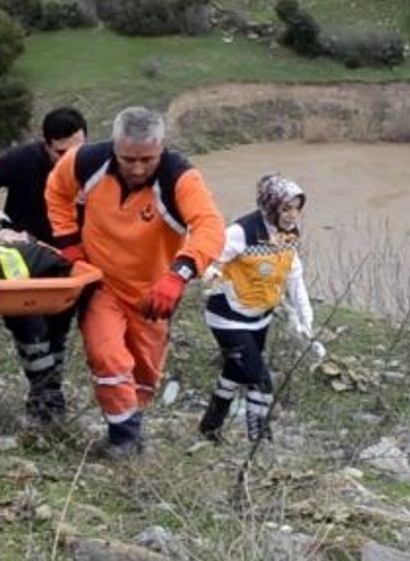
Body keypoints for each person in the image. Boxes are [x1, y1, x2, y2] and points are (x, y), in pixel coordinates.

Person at [46, 106, 225, 458]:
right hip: (101, 283)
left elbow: (210, 226)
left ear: (161, 148)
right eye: (128, 159)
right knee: (106, 355)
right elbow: (57, 191)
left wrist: (179, 274)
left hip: (154, 294)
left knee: (144, 372)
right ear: (115, 147)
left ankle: (133, 423)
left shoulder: (180, 179)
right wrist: (69, 244)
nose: (138, 168)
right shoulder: (85, 161)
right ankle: (123, 440)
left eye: (147, 159)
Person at [0, 106, 88, 423]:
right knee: (30, 332)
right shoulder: (23, 159)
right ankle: (46, 401)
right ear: (46, 145)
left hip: (65, 260)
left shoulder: (93, 166)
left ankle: (47, 403)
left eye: (76, 152)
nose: (69, 160)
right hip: (19, 260)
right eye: (60, 153)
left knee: (57, 333)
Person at [199, 174, 324, 444]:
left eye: (297, 208)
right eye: (286, 208)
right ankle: (259, 441)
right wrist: (211, 274)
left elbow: (294, 277)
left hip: (259, 319)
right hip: (228, 317)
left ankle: (209, 427)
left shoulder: (287, 235)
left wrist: (306, 322)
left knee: (235, 371)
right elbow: (205, 255)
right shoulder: (241, 232)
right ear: (271, 205)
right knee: (259, 379)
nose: (292, 215)